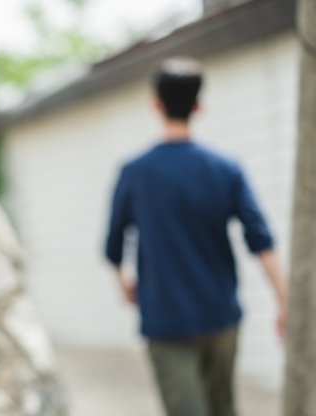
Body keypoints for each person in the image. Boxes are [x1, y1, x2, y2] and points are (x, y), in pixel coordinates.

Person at [104, 56, 286, 416]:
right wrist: (283, 300)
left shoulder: (134, 173)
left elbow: (113, 245)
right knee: (224, 407)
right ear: (198, 106)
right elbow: (260, 239)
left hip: (164, 319)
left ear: (155, 105)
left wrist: (123, 281)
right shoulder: (225, 168)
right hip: (221, 315)